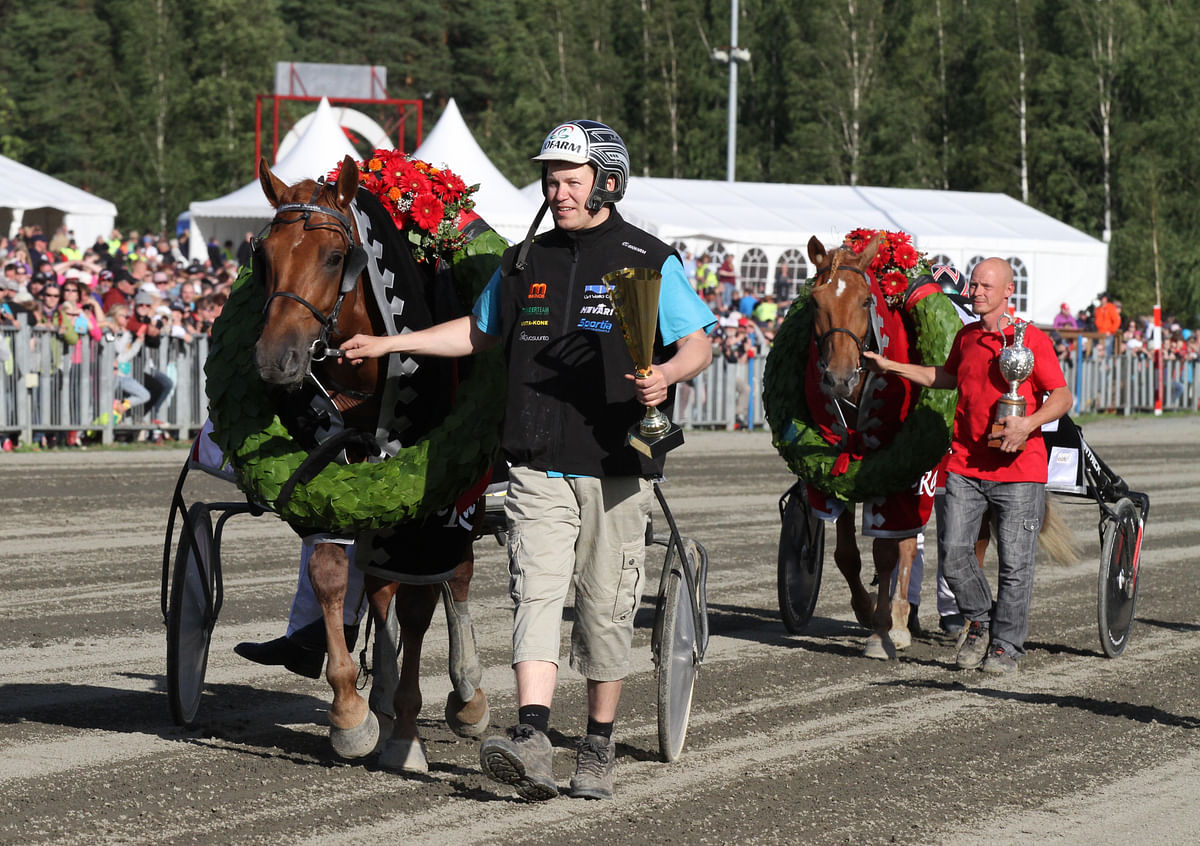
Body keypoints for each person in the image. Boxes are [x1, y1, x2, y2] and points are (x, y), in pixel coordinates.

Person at [342, 119, 714, 801]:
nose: (558, 190)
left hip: (615, 467)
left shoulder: (650, 258)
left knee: (604, 610)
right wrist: (393, 345)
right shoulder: (523, 262)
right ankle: (534, 736)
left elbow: (698, 343)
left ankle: (597, 747)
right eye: (552, 179)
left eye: (571, 180)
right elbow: (478, 334)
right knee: (534, 597)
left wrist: (666, 375)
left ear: (607, 181)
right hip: (537, 464)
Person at [864, 257, 1072, 674]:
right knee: (955, 556)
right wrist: (892, 366)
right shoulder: (968, 337)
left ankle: (1006, 648)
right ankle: (980, 621)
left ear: (1008, 292)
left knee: (1015, 566)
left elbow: (1062, 397)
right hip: (965, 466)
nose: (976, 292)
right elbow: (944, 376)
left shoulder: (1031, 340)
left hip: (1019, 472)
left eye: (985, 287)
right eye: (974, 285)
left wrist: (1027, 424)